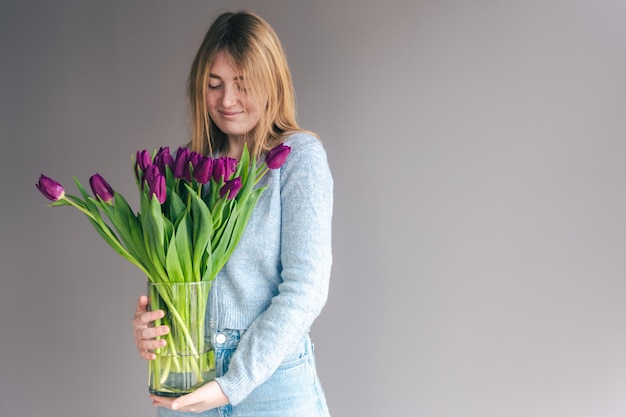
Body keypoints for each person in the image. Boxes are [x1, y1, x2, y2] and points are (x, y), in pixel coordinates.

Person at [131, 10, 333, 417]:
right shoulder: (189, 168)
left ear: (272, 83)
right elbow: (175, 280)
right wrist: (151, 326)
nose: (226, 100)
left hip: (272, 385)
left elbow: (306, 288)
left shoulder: (298, 159)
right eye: (214, 84)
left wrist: (232, 383)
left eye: (242, 85)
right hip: (190, 380)